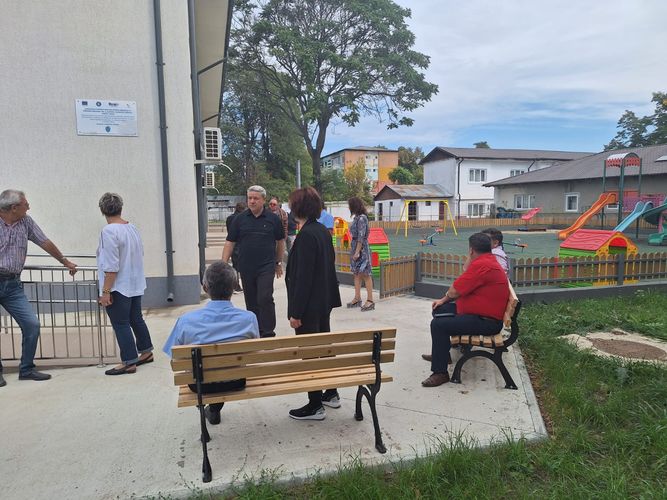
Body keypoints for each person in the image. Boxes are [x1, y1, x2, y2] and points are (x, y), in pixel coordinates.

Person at [163, 261, 259, 425]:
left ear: (205, 287)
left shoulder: (186, 321)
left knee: (206, 369)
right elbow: (253, 351)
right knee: (225, 367)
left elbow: (174, 355)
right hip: (236, 380)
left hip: (199, 385)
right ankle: (214, 408)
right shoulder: (249, 318)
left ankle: (213, 409)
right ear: (234, 286)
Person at [0, 189, 77, 386]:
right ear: (14, 207)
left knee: (31, 324)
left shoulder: (26, 222)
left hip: (13, 285)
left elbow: (44, 241)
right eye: (26, 204)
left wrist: (64, 261)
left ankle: (26, 369)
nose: (29, 207)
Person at [422, 233, 510, 387]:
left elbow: (455, 290)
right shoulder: (488, 261)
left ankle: (440, 373)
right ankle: (441, 355)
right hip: (482, 314)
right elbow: (462, 283)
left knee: (438, 325)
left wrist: (446, 297)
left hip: (487, 322)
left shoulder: (483, 265)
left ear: (471, 250)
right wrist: (442, 301)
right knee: (439, 309)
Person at [285, 187, 342, 420]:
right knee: (324, 347)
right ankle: (331, 392)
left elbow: (303, 278)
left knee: (310, 353)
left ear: (299, 208)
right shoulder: (321, 231)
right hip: (323, 301)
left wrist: (296, 312)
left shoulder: (307, 235)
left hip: (308, 306)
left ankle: (315, 404)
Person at [96, 192, 154, 376]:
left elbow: (111, 264)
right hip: (135, 282)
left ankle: (129, 361)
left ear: (102, 210)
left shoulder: (109, 231)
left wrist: (106, 291)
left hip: (118, 285)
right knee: (136, 318)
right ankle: (146, 351)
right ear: (120, 208)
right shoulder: (132, 228)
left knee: (120, 323)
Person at [222, 186, 285, 338]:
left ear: (263, 200)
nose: (252, 201)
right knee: (251, 300)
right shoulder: (239, 219)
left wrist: (278, 263)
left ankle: (268, 332)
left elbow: (280, 242)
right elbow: (230, 242)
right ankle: (256, 330)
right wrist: (223, 265)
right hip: (246, 267)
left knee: (265, 297)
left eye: (255, 198)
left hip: (266, 266)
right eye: (249, 198)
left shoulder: (273, 219)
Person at [347, 197, 374, 311]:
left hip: (361, 249)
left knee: (365, 274)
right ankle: (357, 298)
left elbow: (361, 236)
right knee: (356, 273)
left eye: (350, 205)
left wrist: (357, 252)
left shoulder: (362, 218)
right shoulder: (357, 218)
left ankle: (370, 300)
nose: (349, 207)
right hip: (356, 247)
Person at [226, 201, 246, 292]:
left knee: (235, 265)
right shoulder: (243, 219)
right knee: (244, 265)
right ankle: (242, 285)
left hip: (232, 243)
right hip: (242, 243)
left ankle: (235, 284)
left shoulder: (229, 218)